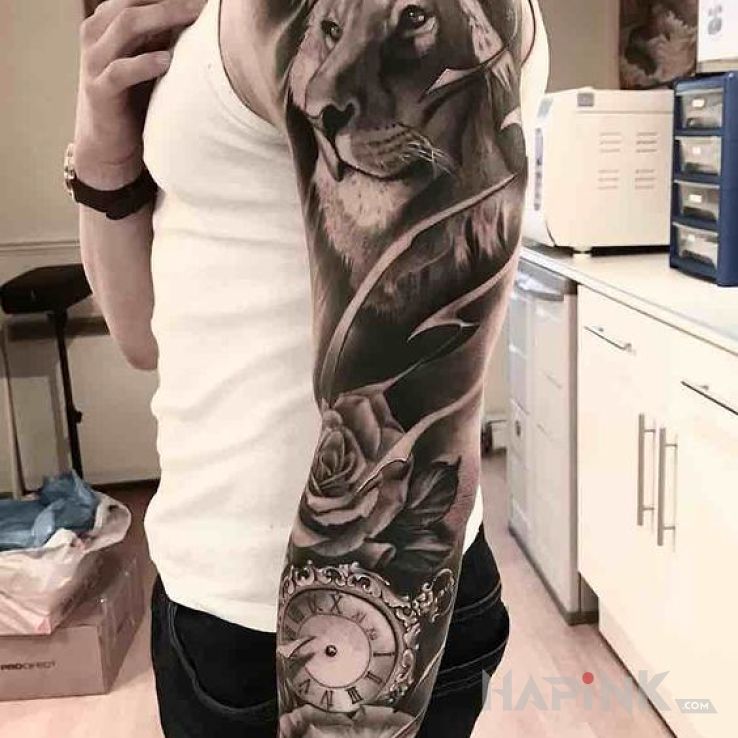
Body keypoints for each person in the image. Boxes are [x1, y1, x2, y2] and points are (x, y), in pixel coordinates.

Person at [71, 1, 549, 736]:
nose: (328, 91)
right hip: (206, 590)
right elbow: (144, 337)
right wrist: (104, 157)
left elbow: (402, 455)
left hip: (340, 626)